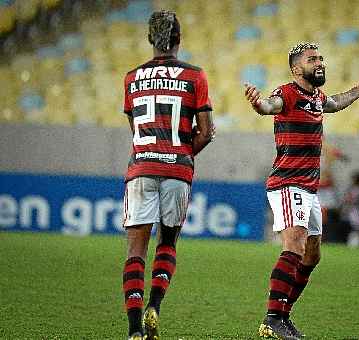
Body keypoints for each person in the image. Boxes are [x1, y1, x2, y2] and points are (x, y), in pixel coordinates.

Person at [244, 42, 359, 339]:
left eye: (320, 58)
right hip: (287, 182)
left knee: (312, 255)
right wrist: (258, 104)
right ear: (297, 69)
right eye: (312, 60)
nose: (319, 62)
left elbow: (336, 101)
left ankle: (283, 314)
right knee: (293, 243)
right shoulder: (287, 93)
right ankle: (272, 318)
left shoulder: (317, 97)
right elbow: (269, 106)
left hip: (309, 188)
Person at [121, 11, 214, 340]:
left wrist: (152, 151)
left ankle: (133, 331)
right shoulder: (195, 75)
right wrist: (181, 154)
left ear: (150, 39)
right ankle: (154, 306)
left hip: (142, 167)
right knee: (168, 241)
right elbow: (206, 132)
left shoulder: (131, 77)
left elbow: (136, 130)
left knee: (135, 250)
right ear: (179, 39)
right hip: (177, 167)